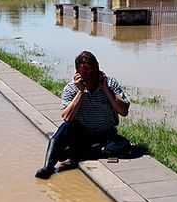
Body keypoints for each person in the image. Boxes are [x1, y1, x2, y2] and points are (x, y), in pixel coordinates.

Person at [35, 51, 131, 179]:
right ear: (78, 74)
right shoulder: (71, 89)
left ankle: (79, 153)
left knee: (124, 147)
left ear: (98, 70)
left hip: (105, 134)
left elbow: (124, 111)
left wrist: (106, 90)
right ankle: (48, 167)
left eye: (93, 72)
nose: (90, 76)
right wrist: (80, 92)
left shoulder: (110, 83)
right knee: (65, 127)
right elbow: (67, 118)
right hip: (81, 134)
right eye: (86, 73)